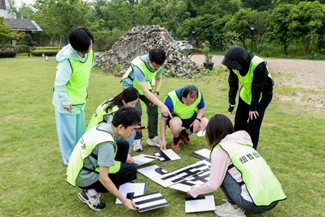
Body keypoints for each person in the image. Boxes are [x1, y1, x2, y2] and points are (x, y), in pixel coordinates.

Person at [188, 114, 286, 217]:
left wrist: (194, 190)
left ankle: (234, 209)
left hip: (254, 204)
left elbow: (213, 184)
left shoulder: (220, 149)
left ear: (211, 133)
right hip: (274, 199)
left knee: (222, 172)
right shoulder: (243, 142)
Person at [66, 107, 140, 212]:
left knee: (122, 144)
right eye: (132, 129)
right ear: (121, 127)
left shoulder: (104, 126)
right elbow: (103, 178)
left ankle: (112, 183)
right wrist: (124, 200)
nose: (133, 133)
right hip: (85, 177)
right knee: (131, 170)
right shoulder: (106, 143)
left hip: (81, 169)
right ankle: (90, 192)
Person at [53, 27, 94, 165]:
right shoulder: (67, 61)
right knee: (68, 134)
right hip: (67, 103)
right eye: (88, 44)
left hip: (80, 99)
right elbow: (59, 84)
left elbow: (86, 71)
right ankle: (69, 161)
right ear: (79, 46)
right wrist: (65, 101)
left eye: (91, 42)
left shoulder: (89, 53)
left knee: (79, 132)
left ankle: (79, 156)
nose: (91, 45)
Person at [222, 45, 274, 149]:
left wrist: (253, 107)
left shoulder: (258, 65)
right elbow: (233, 84)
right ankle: (237, 146)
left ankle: (251, 150)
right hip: (246, 93)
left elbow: (258, 86)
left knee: (253, 125)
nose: (231, 67)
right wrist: (231, 104)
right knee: (239, 122)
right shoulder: (234, 66)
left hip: (261, 95)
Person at [121, 48, 171, 152]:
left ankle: (152, 137)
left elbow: (158, 78)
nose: (157, 68)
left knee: (153, 107)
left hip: (144, 84)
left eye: (159, 66)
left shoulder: (159, 63)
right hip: (130, 86)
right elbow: (145, 91)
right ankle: (137, 139)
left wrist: (156, 93)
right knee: (136, 111)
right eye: (155, 66)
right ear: (149, 61)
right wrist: (162, 105)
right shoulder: (139, 66)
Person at [86, 87, 139, 163]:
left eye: (135, 103)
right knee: (130, 132)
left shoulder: (113, 100)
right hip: (96, 138)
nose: (134, 106)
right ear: (124, 101)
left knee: (130, 129)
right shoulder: (114, 113)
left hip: (93, 132)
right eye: (132, 104)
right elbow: (109, 133)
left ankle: (125, 156)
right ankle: (124, 157)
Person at [160, 85, 208, 151]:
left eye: (192, 102)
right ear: (182, 96)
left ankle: (184, 134)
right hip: (176, 118)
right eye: (187, 101)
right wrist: (163, 140)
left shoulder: (199, 95)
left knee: (205, 123)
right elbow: (163, 120)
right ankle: (176, 138)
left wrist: (197, 119)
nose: (189, 104)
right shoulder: (170, 99)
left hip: (190, 116)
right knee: (175, 124)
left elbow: (201, 107)